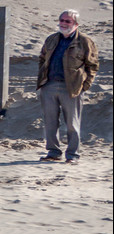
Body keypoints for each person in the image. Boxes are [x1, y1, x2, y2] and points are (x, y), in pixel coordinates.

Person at [37, 9, 99, 163]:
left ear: (76, 24)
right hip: (49, 86)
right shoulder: (51, 39)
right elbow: (42, 58)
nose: (63, 24)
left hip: (71, 88)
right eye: (62, 20)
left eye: (68, 21)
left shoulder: (85, 41)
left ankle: (72, 155)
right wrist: (43, 80)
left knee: (72, 123)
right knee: (50, 122)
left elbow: (92, 65)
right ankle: (53, 152)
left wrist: (85, 85)